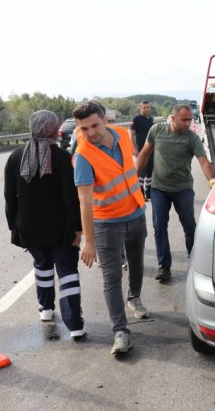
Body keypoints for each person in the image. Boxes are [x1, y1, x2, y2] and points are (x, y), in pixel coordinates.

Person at [72, 100, 148, 355]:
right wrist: (89, 240)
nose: (91, 133)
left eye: (94, 125)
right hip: (107, 223)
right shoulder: (82, 156)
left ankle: (134, 297)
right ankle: (120, 331)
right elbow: (84, 200)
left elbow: (132, 164)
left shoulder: (124, 135)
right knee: (111, 277)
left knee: (137, 263)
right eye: (84, 129)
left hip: (136, 213)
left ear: (105, 120)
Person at [4, 110, 85, 340]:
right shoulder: (60, 157)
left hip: (29, 227)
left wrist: (14, 226)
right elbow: (70, 197)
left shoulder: (15, 156)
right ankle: (75, 325)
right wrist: (78, 228)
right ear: (53, 128)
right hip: (60, 228)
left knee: (42, 266)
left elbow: (10, 197)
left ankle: (46, 310)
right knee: (67, 272)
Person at [136, 104, 215, 282]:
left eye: (190, 119)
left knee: (190, 227)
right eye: (184, 120)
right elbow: (144, 153)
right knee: (159, 226)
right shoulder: (157, 130)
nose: (188, 123)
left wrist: (212, 180)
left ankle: (195, 260)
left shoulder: (192, 138)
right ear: (172, 119)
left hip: (183, 189)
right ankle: (164, 266)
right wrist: (135, 178)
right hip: (159, 189)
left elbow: (203, 161)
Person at [130, 100, 155, 200]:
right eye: (144, 107)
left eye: (148, 107)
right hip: (141, 150)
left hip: (152, 149)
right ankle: (139, 193)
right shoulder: (136, 119)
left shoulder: (151, 119)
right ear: (140, 109)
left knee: (150, 171)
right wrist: (134, 149)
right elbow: (132, 135)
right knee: (141, 172)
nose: (146, 109)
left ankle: (148, 192)